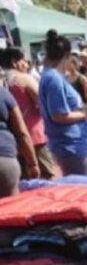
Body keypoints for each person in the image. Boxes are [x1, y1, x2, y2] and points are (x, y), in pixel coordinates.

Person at [38, 30, 87, 176]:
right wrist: (85, 113)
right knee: (81, 191)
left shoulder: (53, 76)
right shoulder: (54, 78)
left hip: (75, 143)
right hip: (70, 145)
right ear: (67, 56)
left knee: (85, 187)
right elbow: (59, 115)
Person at [1, 47, 57, 178]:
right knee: (47, 176)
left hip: (13, 139)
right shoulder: (23, 78)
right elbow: (44, 102)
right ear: (15, 62)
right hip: (34, 136)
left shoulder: (3, 81)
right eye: (24, 61)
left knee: (24, 181)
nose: (27, 65)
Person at [0, 84, 39, 196]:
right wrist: (33, 164)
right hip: (5, 161)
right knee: (11, 209)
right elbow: (22, 133)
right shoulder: (4, 94)